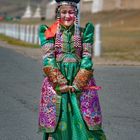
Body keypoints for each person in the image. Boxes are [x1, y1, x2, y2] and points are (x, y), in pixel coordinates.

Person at [38, 0, 106, 139]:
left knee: (84, 120)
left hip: (80, 81)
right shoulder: (49, 33)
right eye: (63, 12)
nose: (67, 16)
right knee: (58, 120)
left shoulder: (83, 32)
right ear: (58, 13)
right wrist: (60, 83)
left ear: (76, 13)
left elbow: (87, 57)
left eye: (71, 12)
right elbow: (48, 59)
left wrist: (79, 82)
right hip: (57, 82)